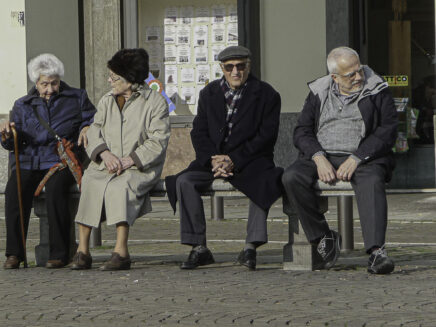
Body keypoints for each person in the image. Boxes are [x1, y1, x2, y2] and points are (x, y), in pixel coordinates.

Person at [282, 46, 398, 274]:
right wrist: (318, 157)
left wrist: (357, 157)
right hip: (322, 154)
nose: (358, 77)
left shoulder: (377, 89)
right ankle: (324, 236)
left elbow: (388, 130)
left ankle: (376, 252)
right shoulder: (318, 92)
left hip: (364, 157)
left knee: (372, 181)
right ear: (334, 77)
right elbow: (301, 131)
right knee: (291, 177)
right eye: (350, 74)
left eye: (359, 70)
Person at [165, 45, 283, 271]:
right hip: (213, 160)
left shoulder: (267, 95)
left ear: (249, 66)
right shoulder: (208, 93)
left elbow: (266, 137)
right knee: (183, 181)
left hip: (251, 160)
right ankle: (198, 247)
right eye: (230, 67)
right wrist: (213, 160)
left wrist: (234, 159)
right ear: (222, 68)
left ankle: (250, 247)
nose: (235, 71)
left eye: (241, 66)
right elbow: (199, 131)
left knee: (265, 181)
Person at [70, 48, 170, 271]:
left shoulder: (155, 103)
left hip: (139, 167)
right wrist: (104, 153)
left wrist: (129, 160)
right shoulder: (107, 100)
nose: (109, 80)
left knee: (120, 187)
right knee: (90, 182)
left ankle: (121, 251)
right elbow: (94, 129)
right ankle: (83, 251)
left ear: (130, 80)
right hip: (106, 163)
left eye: (114, 77)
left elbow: (157, 141)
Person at [0, 53, 96, 269]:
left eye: (54, 83)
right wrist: (7, 135)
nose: (50, 89)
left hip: (60, 160)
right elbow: (14, 142)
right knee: (14, 190)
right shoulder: (23, 104)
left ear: (59, 80)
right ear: (36, 82)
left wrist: (88, 127)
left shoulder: (76, 97)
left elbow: (94, 119)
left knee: (56, 189)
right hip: (30, 160)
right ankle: (15, 253)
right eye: (44, 84)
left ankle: (59, 253)